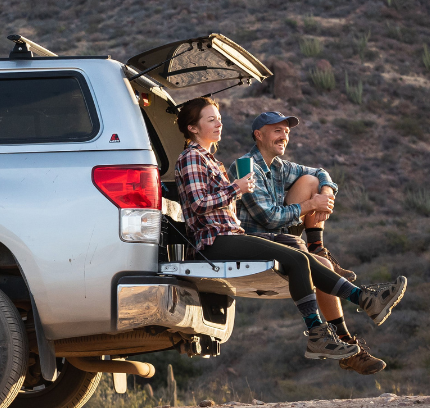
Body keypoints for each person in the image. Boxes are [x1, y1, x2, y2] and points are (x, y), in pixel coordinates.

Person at [173, 96, 407, 361]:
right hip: (213, 242)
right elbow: (198, 204)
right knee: (297, 258)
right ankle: (325, 329)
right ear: (193, 128)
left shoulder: (211, 160)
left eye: (219, 119)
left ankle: (364, 300)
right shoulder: (192, 157)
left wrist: (234, 191)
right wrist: (235, 189)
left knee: (304, 257)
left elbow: (317, 173)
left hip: (229, 237)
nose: (219, 124)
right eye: (211, 119)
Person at [231, 111, 384, 375]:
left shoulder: (279, 167)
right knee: (321, 265)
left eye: (286, 131)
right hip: (258, 241)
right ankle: (350, 339)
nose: (284, 135)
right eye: (277, 130)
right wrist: (311, 205)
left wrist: (324, 194)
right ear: (258, 135)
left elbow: (321, 173)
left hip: (283, 236)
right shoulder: (245, 166)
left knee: (312, 181)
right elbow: (266, 218)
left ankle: (316, 247)